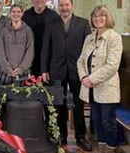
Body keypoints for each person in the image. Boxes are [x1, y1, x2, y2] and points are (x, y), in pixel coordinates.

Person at [40, 0, 92, 151]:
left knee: (78, 104)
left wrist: (88, 71)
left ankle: (81, 137)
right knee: (58, 104)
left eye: (66, 5)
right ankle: (61, 135)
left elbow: (89, 50)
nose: (64, 8)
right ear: (58, 7)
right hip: (56, 69)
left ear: (72, 6)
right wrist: (44, 69)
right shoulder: (51, 23)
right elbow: (45, 48)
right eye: (61, 5)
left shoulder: (83, 23)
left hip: (78, 70)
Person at [77, 5, 123, 153]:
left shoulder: (114, 37)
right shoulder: (89, 38)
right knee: (96, 121)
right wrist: (83, 77)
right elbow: (81, 61)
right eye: (95, 16)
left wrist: (91, 79)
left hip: (106, 88)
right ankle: (101, 148)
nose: (98, 18)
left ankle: (110, 149)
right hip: (91, 89)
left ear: (107, 17)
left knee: (107, 122)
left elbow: (112, 65)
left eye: (102, 15)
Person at [0, 4, 34, 85]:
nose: (16, 14)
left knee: (22, 97)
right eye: (13, 12)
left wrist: (21, 69)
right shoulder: (3, 30)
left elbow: (30, 52)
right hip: (6, 73)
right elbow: (0, 52)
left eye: (18, 12)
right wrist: (8, 70)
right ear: (10, 13)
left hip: (23, 74)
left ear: (22, 13)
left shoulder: (28, 31)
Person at [22, 0, 58, 77]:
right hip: (30, 58)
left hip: (49, 59)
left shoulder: (54, 16)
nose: (39, 1)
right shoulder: (25, 15)